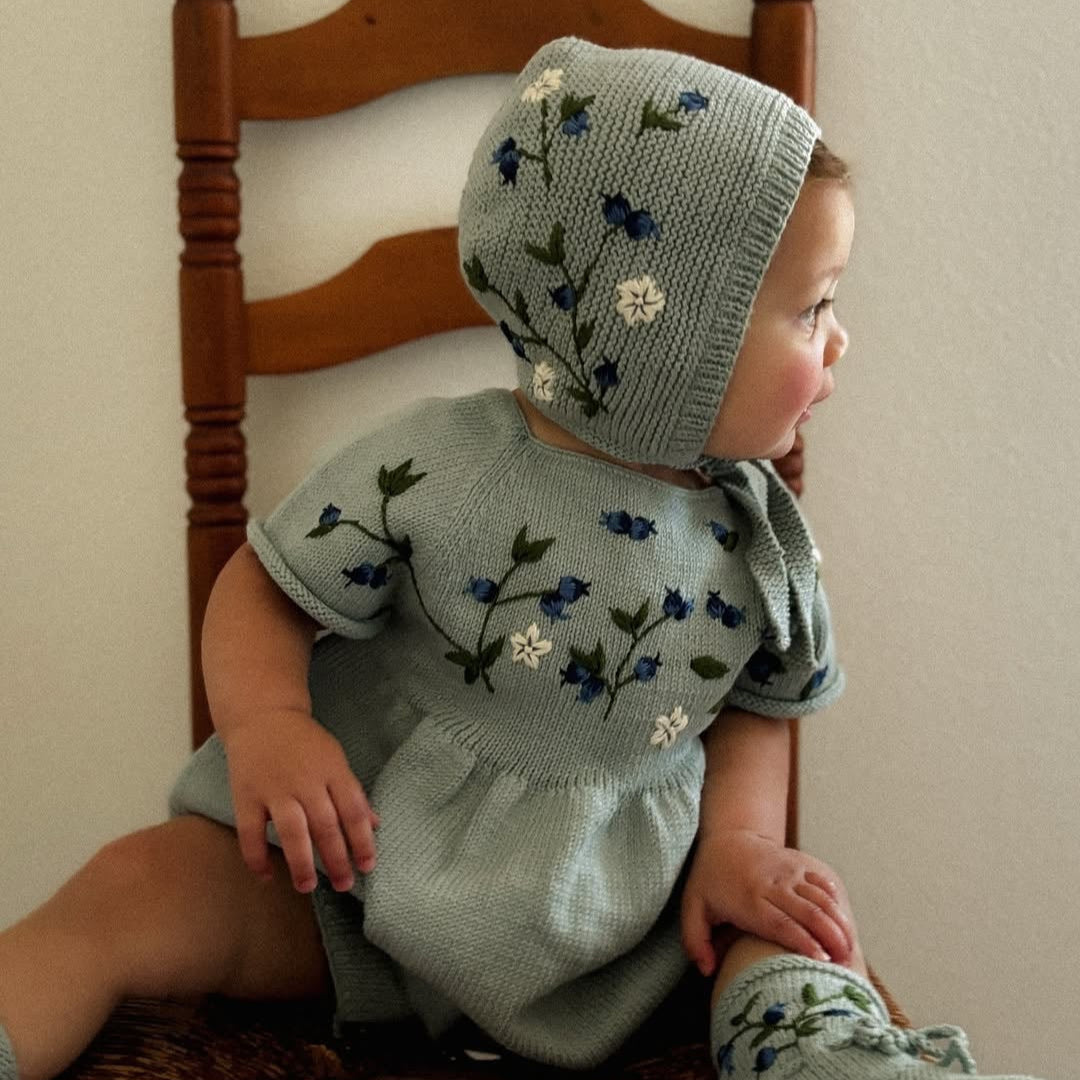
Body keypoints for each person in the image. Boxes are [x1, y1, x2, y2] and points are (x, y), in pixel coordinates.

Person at [0, 37, 1042, 1080]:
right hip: (357, 887)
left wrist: (738, 848)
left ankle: (829, 1058)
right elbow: (266, 588)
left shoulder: (758, 538)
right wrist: (268, 723)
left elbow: (759, 708)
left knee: (791, 938)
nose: (839, 339)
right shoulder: (438, 466)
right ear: (673, 340)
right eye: (813, 308)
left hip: (637, 939)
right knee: (135, 884)